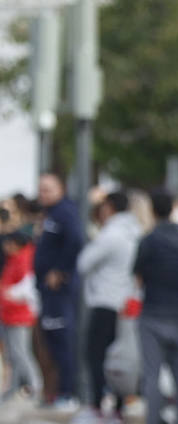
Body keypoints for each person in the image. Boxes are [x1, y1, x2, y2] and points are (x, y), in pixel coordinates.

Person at [130, 188, 178, 424]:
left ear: (153, 211)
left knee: (152, 376)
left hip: (154, 312)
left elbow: (137, 274)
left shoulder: (149, 240)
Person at [73, 191, 141, 424]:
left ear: (109, 207)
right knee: (118, 359)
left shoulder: (111, 234)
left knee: (95, 356)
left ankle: (96, 408)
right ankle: (118, 409)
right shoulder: (135, 232)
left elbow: (83, 263)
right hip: (124, 303)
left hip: (105, 301)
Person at [32, 172, 84, 409]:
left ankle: (67, 392)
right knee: (50, 340)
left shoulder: (65, 212)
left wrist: (60, 270)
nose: (43, 194)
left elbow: (75, 241)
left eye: (48, 189)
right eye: (41, 189)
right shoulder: (50, 213)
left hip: (59, 290)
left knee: (62, 338)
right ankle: (54, 391)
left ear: (61, 189)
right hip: (46, 289)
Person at [0, 231, 39, 401]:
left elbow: (27, 288)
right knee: (12, 355)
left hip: (20, 314)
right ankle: (13, 390)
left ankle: (36, 386)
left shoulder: (25, 259)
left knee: (21, 353)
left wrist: (8, 294)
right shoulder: (14, 259)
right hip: (9, 313)